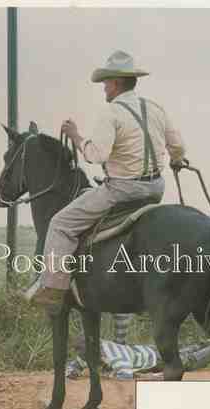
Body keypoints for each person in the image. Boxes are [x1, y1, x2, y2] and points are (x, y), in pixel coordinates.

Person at [25, 50, 187, 307]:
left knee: (60, 224)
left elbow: (95, 155)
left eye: (105, 83)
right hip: (156, 189)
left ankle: (53, 288)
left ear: (116, 82)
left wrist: (75, 135)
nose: (104, 88)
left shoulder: (111, 113)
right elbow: (177, 146)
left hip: (122, 190)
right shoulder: (156, 109)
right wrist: (177, 159)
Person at [65, 335, 210, 380]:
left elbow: (127, 375)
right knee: (183, 350)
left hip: (154, 359)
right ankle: (206, 343)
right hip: (145, 350)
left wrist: (106, 373)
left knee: (188, 361)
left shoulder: (114, 358)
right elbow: (75, 363)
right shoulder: (97, 346)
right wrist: (72, 370)